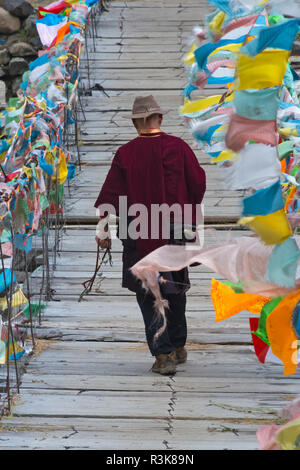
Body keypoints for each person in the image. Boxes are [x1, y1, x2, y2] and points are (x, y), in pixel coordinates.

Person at [94, 95, 206, 375]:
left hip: (140, 229)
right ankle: (178, 345)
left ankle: (164, 354)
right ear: (160, 119)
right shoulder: (179, 148)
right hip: (177, 227)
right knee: (175, 286)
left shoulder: (126, 153)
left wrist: (103, 228)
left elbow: (111, 195)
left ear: (136, 123)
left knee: (149, 291)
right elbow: (198, 183)